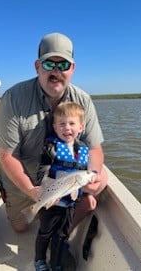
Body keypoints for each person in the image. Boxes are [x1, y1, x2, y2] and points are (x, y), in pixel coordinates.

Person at [0, 32, 108, 234]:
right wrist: (33, 191)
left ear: (72, 68)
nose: (55, 71)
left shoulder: (84, 100)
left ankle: (61, 234)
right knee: (20, 227)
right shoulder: (13, 99)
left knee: (100, 181)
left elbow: (95, 149)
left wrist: (94, 175)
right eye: (48, 64)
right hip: (25, 176)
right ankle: (19, 199)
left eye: (62, 65)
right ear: (37, 66)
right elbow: (6, 155)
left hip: (66, 177)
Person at [34, 102, 95, 271]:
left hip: (70, 205)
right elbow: (42, 172)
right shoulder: (51, 147)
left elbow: (83, 174)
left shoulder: (83, 149)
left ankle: (56, 264)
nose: (67, 128)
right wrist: (46, 193)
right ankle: (39, 261)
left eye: (72, 123)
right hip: (52, 201)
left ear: (81, 127)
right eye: (62, 124)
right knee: (45, 233)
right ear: (54, 127)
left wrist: (90, 180)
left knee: (61, 235)